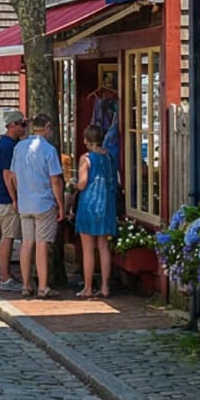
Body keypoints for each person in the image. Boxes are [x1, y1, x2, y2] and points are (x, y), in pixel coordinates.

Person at [9, 114, 65, 298]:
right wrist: (61, 204)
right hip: (43, 202)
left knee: (26, 243)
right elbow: (55, 179)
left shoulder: (19, 147)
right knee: (42, 244)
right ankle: (42, 286)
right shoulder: (48, 149)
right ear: (47, 127)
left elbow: (13, 175)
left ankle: (26, 285)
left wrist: (20, 193)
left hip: (25, 202)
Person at [73, 123, 118, 298]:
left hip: (90, 203)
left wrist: (73, 184)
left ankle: (88, 287)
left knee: (88, 248)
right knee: (104, 246)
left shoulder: (86, 158)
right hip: (107, 203)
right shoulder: (109, 157)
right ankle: (105, 286)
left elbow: (83, 183)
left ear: (86, 140)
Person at [0, 111, 26, 290]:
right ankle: (5, 277)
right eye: (22, 124)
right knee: (9, 236)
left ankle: (6, 275)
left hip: (3, 196)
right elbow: (7, 175)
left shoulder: (9, 144)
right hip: (6, 198)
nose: (24, 127)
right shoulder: (7, 146)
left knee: (9, 235)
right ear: (13, 125)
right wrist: (14, 198)